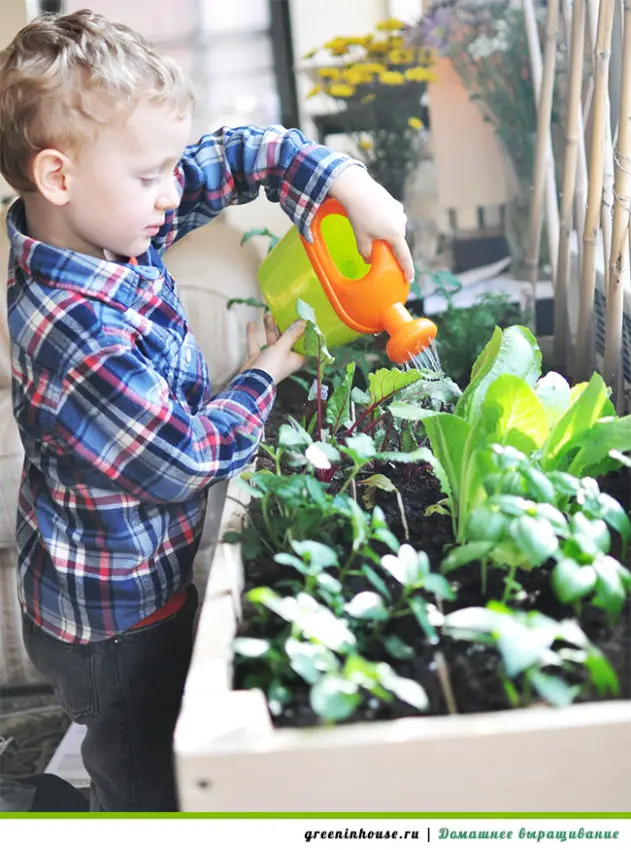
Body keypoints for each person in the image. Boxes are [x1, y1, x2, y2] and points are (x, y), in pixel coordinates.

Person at [0, 9, 413, 812]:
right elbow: (180, 457)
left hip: (139, 587)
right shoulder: (69, 327)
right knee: (144, 773)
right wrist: (262, 373)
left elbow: (235, 157)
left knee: (148, 733)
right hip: (110, 624)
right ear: (57, 177)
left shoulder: (111, 224)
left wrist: (342, 182)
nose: (171, 190)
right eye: (150, 174)